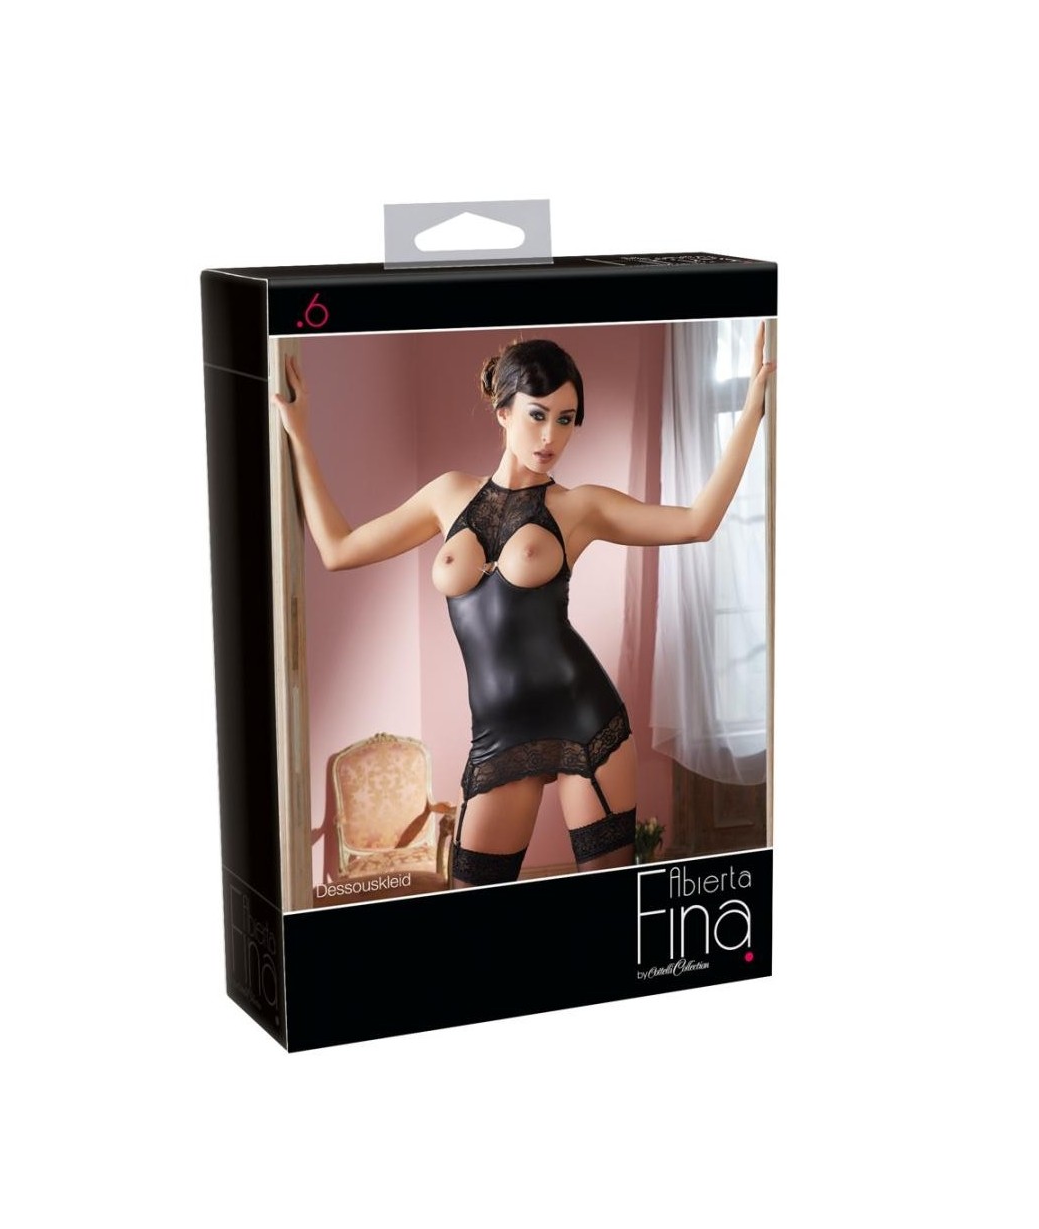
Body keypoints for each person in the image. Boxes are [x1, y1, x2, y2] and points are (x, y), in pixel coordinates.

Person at [273, 330, 774, 887]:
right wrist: (299, 436)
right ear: (503, 411)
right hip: (498, 737)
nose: (551, 436)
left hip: (586, 723)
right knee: (473, 901)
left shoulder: (578, 507)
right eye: (538, 415)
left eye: (566, 419)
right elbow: (338, 550)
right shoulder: (447, 495)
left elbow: (698, 523)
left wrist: (753, 407)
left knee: (602, 904)